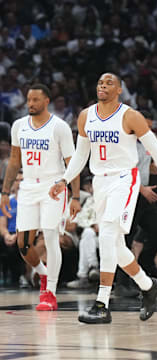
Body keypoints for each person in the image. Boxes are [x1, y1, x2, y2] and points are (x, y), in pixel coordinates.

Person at [49, 73, 157, 324]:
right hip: (100, 181)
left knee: (108, 236)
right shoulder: (85, 116)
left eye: (109, 83)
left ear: (120, 89)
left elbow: (155, 148)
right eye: (100, 82)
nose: (103, 86)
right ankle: (148, 285)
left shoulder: (130, 116)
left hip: (125, 178)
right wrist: (64, 180)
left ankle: (102, 303)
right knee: (117, 246)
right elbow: (80, 156)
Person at [0, 83, 81, 310]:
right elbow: (15, 160)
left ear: (47, 101)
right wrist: (5, 192)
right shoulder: (18, 126)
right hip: (27, 186)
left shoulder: (60, 127)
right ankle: (44, 275)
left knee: (50, 236)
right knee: (23, 244)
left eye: (35, 100)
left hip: (53, 186)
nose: (30, 104)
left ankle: (50, 293)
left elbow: (71, 162)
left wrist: (75, 196)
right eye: (28, 100)